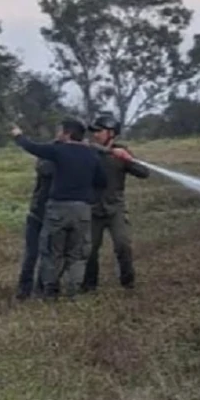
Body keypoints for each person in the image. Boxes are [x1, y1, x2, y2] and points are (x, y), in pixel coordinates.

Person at [10, 118, 106, 299]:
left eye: (60, 130)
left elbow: (34, 148)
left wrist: (19, 136)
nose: (58, 133)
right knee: (76, 254)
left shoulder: (57, 151)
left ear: (67, 134)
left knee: (52, 253)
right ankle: (71, 292)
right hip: (80, 210)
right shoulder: (91, 155)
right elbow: (102, 181)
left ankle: (48, 292)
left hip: (56, 210)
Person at [83, 112, 150, 292]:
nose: (95, 134)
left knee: (123, 245)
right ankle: (89, 285)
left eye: (99, 131)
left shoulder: (122, 152)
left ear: (111, 133)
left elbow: (144, 173)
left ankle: (128, 282)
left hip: (115, 208)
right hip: (92, 208)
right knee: (90, 249)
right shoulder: (88, 151)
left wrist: (128, 159)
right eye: (94, 131)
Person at [16, 157, 55, 300]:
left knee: (46, 253)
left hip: (50, 213)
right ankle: (25, 289)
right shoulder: (49, 157)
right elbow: (44, 169)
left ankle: (39, 288)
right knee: (33, 253)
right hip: (39, 213)